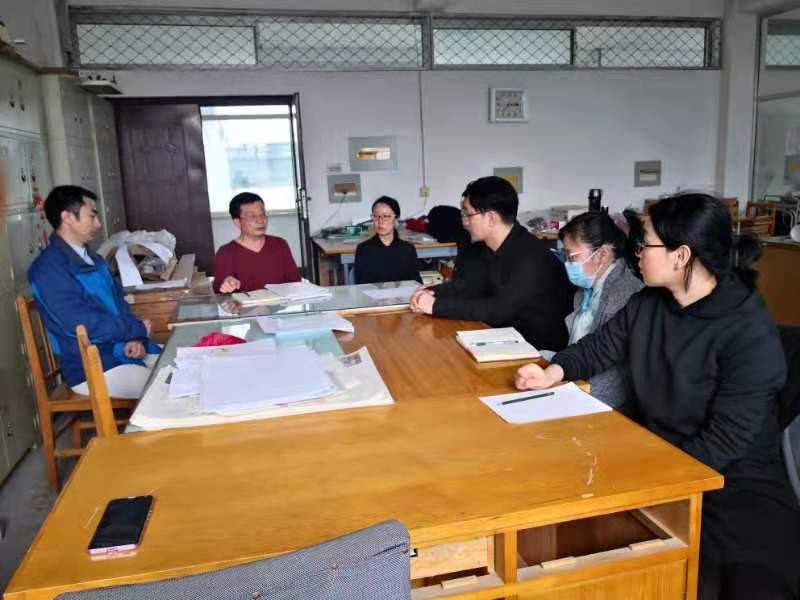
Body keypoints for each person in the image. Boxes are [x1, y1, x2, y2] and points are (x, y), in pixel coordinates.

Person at [516, 194, 800, 599]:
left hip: (731, 489)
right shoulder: (649, 303)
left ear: (681, 256)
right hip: (660, 459)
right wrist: (552, 372)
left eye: (644, 244)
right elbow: (598, 347)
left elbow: (724, 441)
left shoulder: (746, 330)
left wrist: (651, 481)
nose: (636, 253)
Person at [410, 176, 574, 351]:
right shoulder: (489, 247)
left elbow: (500, 309)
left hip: (537, 349)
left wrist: (435, 306)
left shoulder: (531, 256)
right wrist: (431, 292)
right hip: (503, 336)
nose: (465, 221)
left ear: (491, 218)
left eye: (468, 214)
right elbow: (470, 287)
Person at [28, 186, 160, 399]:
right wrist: (133, 331)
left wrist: (135, 338)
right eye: (92, 216)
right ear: (68, 218)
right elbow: (81, 325)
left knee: (179, 365)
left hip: (122, 349)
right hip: (90, 367)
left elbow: (120, 304)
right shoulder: (48, 270)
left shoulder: (94, 260)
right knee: (165, 388)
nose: (98, 224)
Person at [556, 210, 644, 407]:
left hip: (606, 400)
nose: (567, 264)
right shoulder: (585, 289)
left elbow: (613, 375)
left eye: (571, 257)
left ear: (602, 254)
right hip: (578, 382)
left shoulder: (624, 295)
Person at [213, 192, 300, 294]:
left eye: (262, 215)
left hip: (281, 303)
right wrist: (226, 284)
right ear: (237, 222)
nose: (260, 220)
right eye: (252, 216)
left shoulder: (280, 244)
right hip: (244, 304)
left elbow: (295, 283)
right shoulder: (226, 253)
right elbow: (219, 289)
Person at [354, 196, 421, 284]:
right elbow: (360, 286)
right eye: (376, 216)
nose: (380, 221)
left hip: (403, 293)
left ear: (396, 219)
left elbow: (416, 283)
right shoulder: (363, 249)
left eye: (386, 216)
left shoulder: (408, 249)